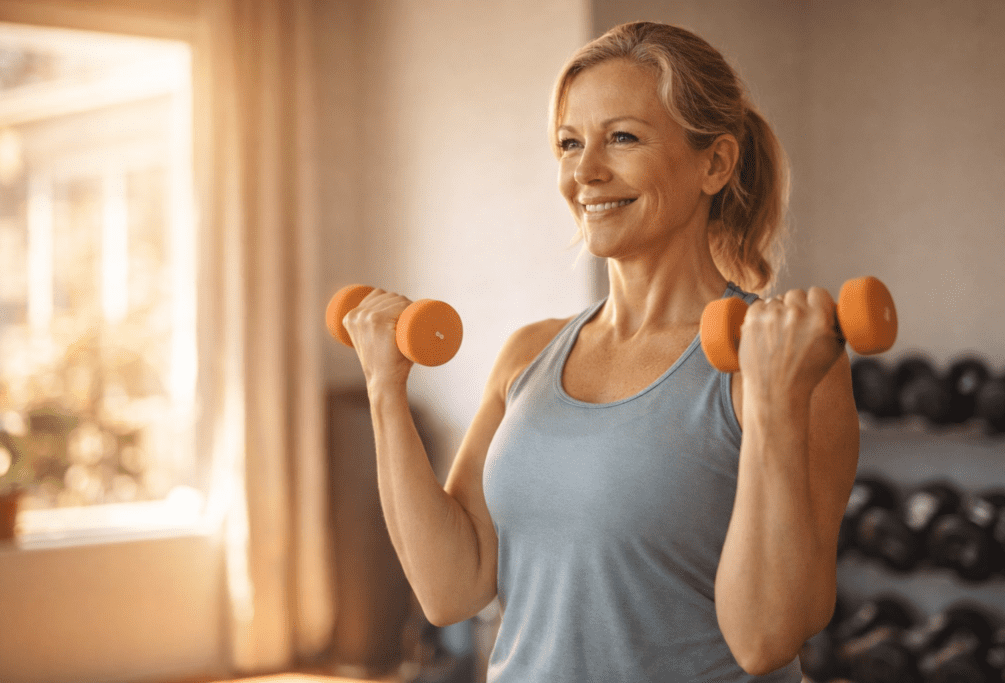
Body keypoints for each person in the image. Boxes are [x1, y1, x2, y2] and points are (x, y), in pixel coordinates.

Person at [342, 21, 859, 683]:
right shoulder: (529, 354)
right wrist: (386, 387)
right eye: (568, 142)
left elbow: (765, 639)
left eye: (622, 137)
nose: (584, 172)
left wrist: (777, 404)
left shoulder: (786, 363)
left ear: (715, 163)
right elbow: (453, 587)